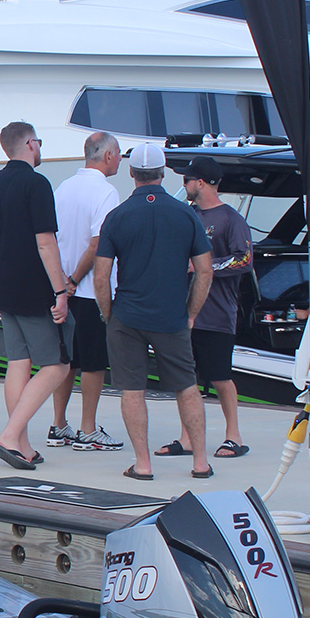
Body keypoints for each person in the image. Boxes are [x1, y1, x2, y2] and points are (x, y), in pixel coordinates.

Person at [93, 143, 214, 481]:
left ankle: (143, 464)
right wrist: (191, 314)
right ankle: (200, 462)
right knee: (187, 386)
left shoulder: (117, 217)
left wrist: (108, 314)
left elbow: (101, 276)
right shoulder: (186, 214)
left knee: (133, 390)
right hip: (171, 316)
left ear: (132, 173)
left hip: (127, 316)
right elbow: (205, 271)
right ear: (163, 173)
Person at [0, 122, 72, 470]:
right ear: (30, 143)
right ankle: (9, 435)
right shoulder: (36, 184)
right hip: (35, 288)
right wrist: (60, 290)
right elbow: (45, 242)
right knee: (57, 365)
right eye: (39, 142)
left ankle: (23, 445)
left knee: (18, 362)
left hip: (5, 288)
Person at [153, 156, 254, 460]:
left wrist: (204, 266)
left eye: (187, 180)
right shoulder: (187, 214)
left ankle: (233, 436)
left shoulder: (231, 219)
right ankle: (187, 438)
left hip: (217, 314)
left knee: (220, 376)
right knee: (186, 378)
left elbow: (244, 259)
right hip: (183, 313)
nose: (183, 184)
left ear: (200, 182)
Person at [48, 131, 125, 453]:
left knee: (67, 359)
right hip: (89, 290)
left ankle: (59, 424)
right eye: (118, 154)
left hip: (61, 290)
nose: (120, 160)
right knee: (93, 362)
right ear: (107, 156)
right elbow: (98, 242)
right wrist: (76, 278)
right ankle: (88, 428)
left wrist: (62, 282)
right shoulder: (106, 192)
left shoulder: (63, 188)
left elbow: (50, 237)